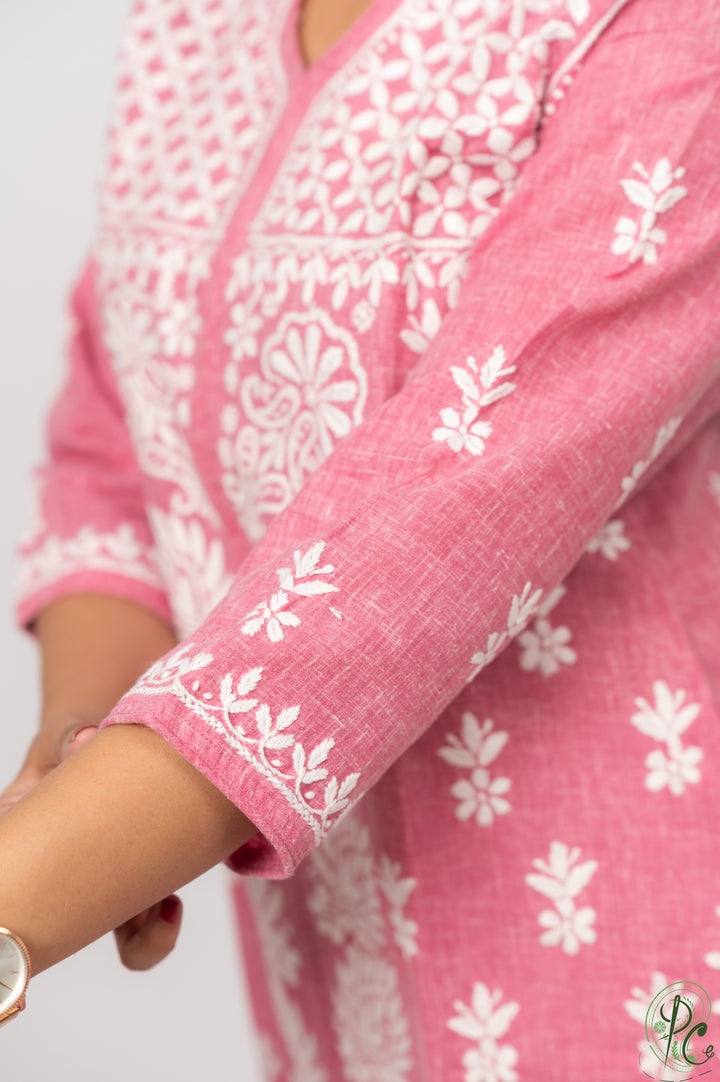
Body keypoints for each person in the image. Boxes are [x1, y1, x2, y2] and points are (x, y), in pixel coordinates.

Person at [2, 0, 720, 1076]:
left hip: (641, 957)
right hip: (335, 994)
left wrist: (26, 887)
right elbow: (113, 441)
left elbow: (447, 513)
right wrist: (76, 766)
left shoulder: (664, 30)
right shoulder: (190, 26)